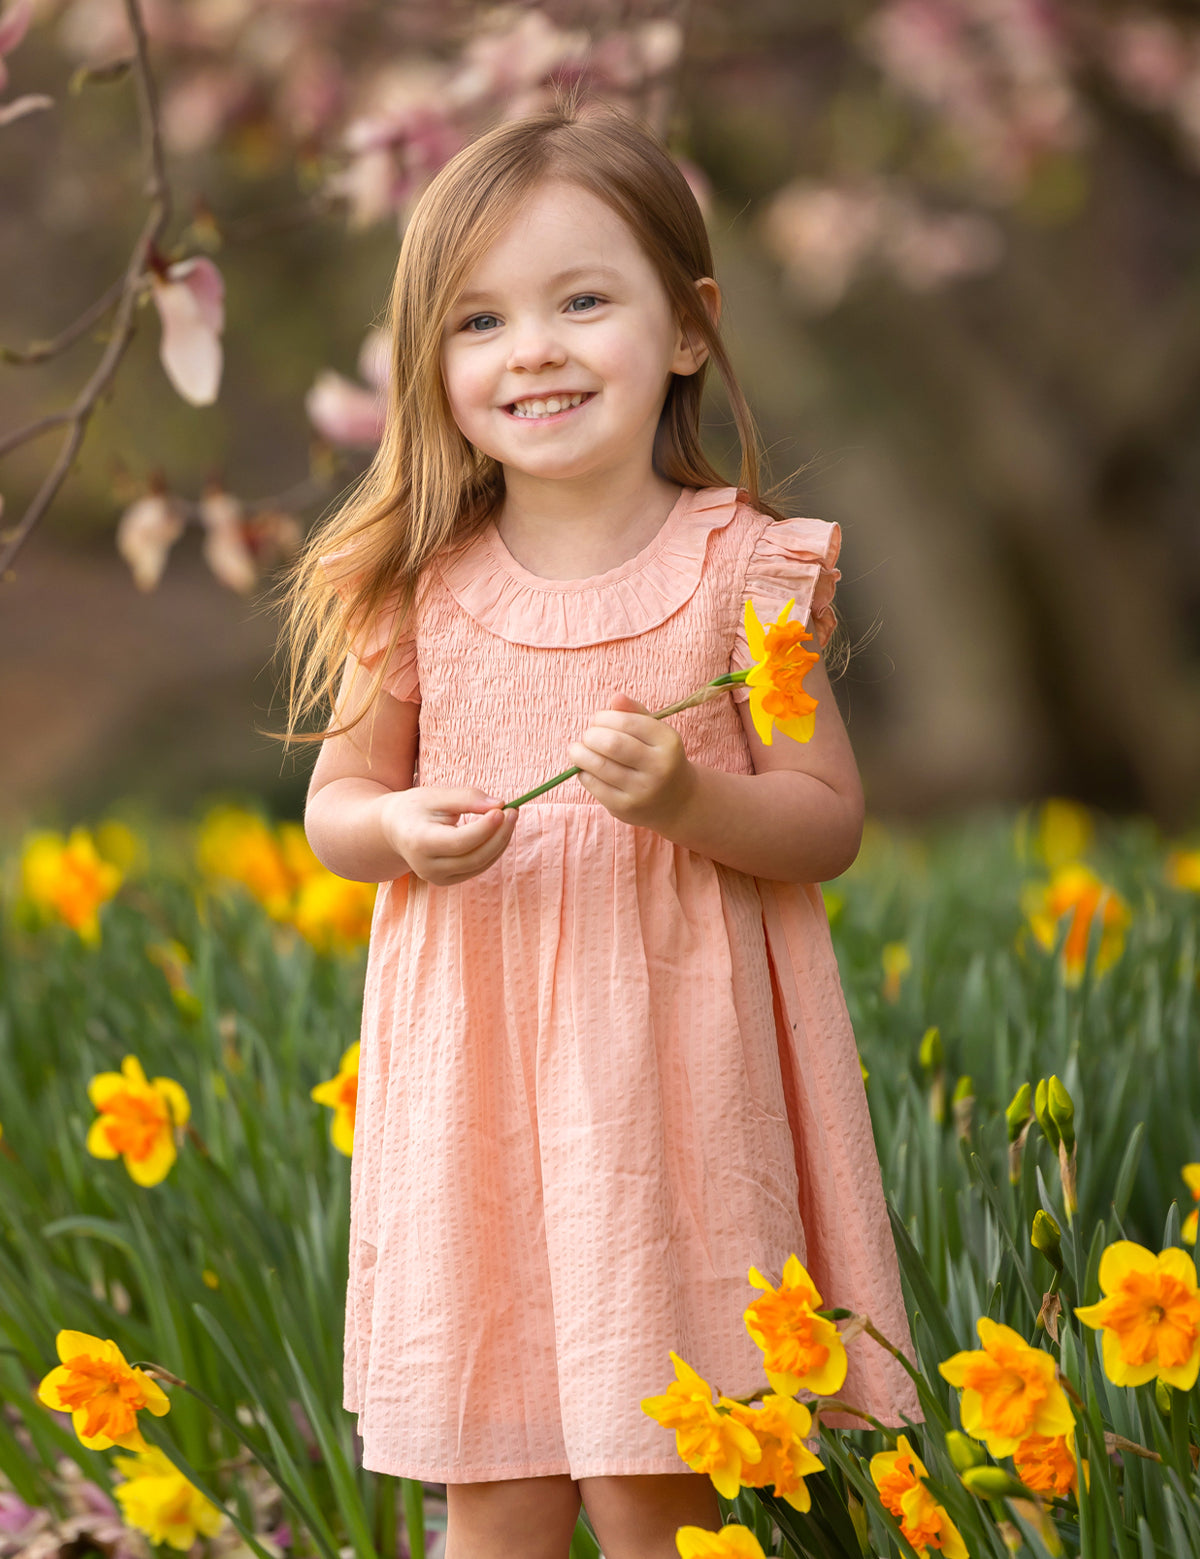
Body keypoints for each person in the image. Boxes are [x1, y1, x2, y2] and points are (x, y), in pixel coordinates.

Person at [275, 94, 921, 1559]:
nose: (536, 350)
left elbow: (826, 823)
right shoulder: (411, 589)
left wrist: (690, 801)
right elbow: (334, 806)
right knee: (494, 1479)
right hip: (481, 1096)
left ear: (689, 326)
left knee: (657, 1465)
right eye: (480, 321)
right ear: (429, 362)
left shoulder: (749, 574)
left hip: (676, 1104)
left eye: (583, 300)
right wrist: (399, 832)